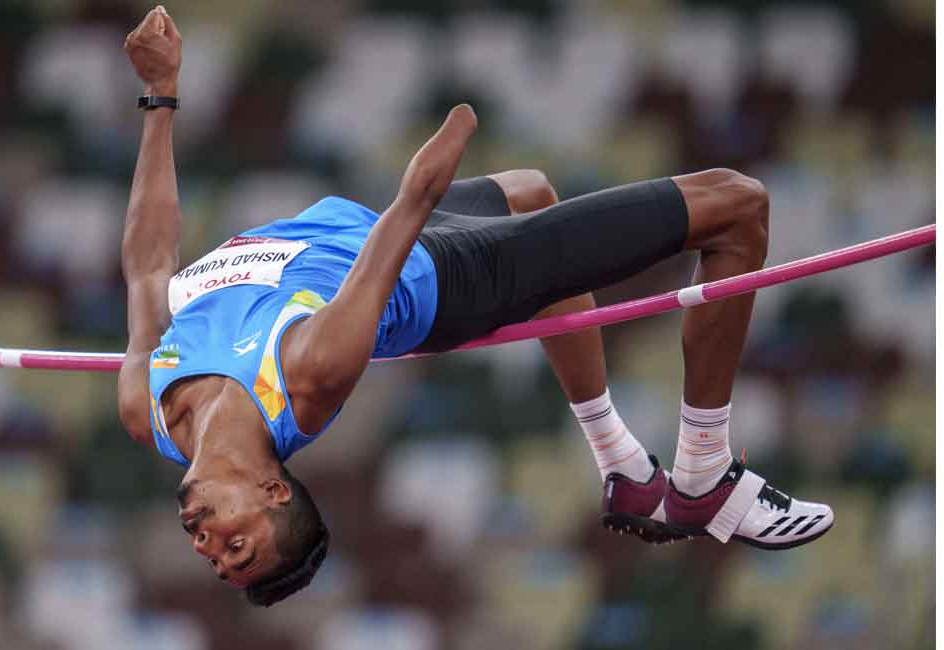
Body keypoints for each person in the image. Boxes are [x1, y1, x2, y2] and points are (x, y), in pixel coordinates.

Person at [117, 6, 833, 607]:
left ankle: (623, 467)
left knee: (529, 189)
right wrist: (449, 134)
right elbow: (400, 231)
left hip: (354, 231)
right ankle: (705, 473)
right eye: (234, 547)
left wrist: (161, 94)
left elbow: (149, 264)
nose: (208, 544)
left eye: (220, 555)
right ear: (273, 489)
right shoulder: (305, 376)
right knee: (737, 205)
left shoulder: (146, 409)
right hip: (439, 272)